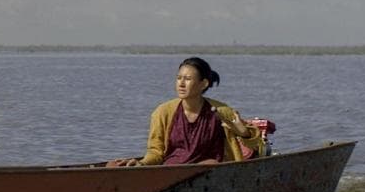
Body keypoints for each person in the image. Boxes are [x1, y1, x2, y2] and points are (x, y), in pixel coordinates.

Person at [110, 57, 259, 167]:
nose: (181, 84)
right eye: (178, 78)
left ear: (204, 84)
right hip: (171, 171)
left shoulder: (222, 112)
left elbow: (254, 148)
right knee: (113, 166)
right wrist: (141, 163)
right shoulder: (162, 112)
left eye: (187, 79)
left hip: (211, 170)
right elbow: (156, 151)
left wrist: (244, 133)